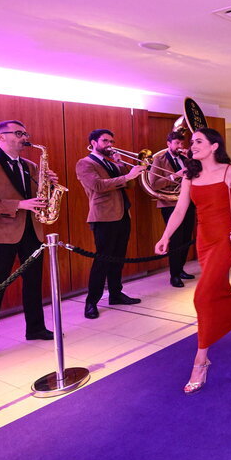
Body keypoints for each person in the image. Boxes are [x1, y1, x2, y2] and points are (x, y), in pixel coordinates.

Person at [154, 128, 231, 393]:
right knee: (220, 290)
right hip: (204, 241)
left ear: (214, 146)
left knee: (202, 296)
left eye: (199, 142)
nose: (193, 146)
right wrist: (166, 236)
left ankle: (201, 360)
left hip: (226, 240)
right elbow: (180, 209)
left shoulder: (229, 172)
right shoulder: (191, 175)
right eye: (192, 142)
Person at [0, 120, 55, 367]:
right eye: (18, 133)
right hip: (1, 233)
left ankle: (35, 328)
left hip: (31, 231)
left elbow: (39, 197)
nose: (24, 137)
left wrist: (50, 183)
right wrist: (18, 205)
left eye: (25, 133)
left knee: (34, 283)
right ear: (1, 138)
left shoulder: (30, 165)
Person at [76, 129, 144, 319]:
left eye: (111, 141)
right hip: (103, 217)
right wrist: (127, 176)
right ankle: (92, 301)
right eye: (105, 141)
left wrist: (122, 165)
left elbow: (128, 185)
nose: (110, 144)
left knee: (118, 258)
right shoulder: (85, 163)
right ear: (93, 142)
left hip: (122, 214)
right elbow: (97, 186)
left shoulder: (111, 162)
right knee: (102, 260)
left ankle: (115, 293)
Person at [149, 132, 196, 287]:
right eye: (177, 143)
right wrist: (175, 176)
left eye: (182, 144)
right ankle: (174, 275)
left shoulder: (185, 159)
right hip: (169, 205)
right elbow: (154, 184)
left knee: (186, 239)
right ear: (168, 143)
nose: (180, 147)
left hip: (187, 202)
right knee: (175, 240)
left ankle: (181, 269)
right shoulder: (159, 160)